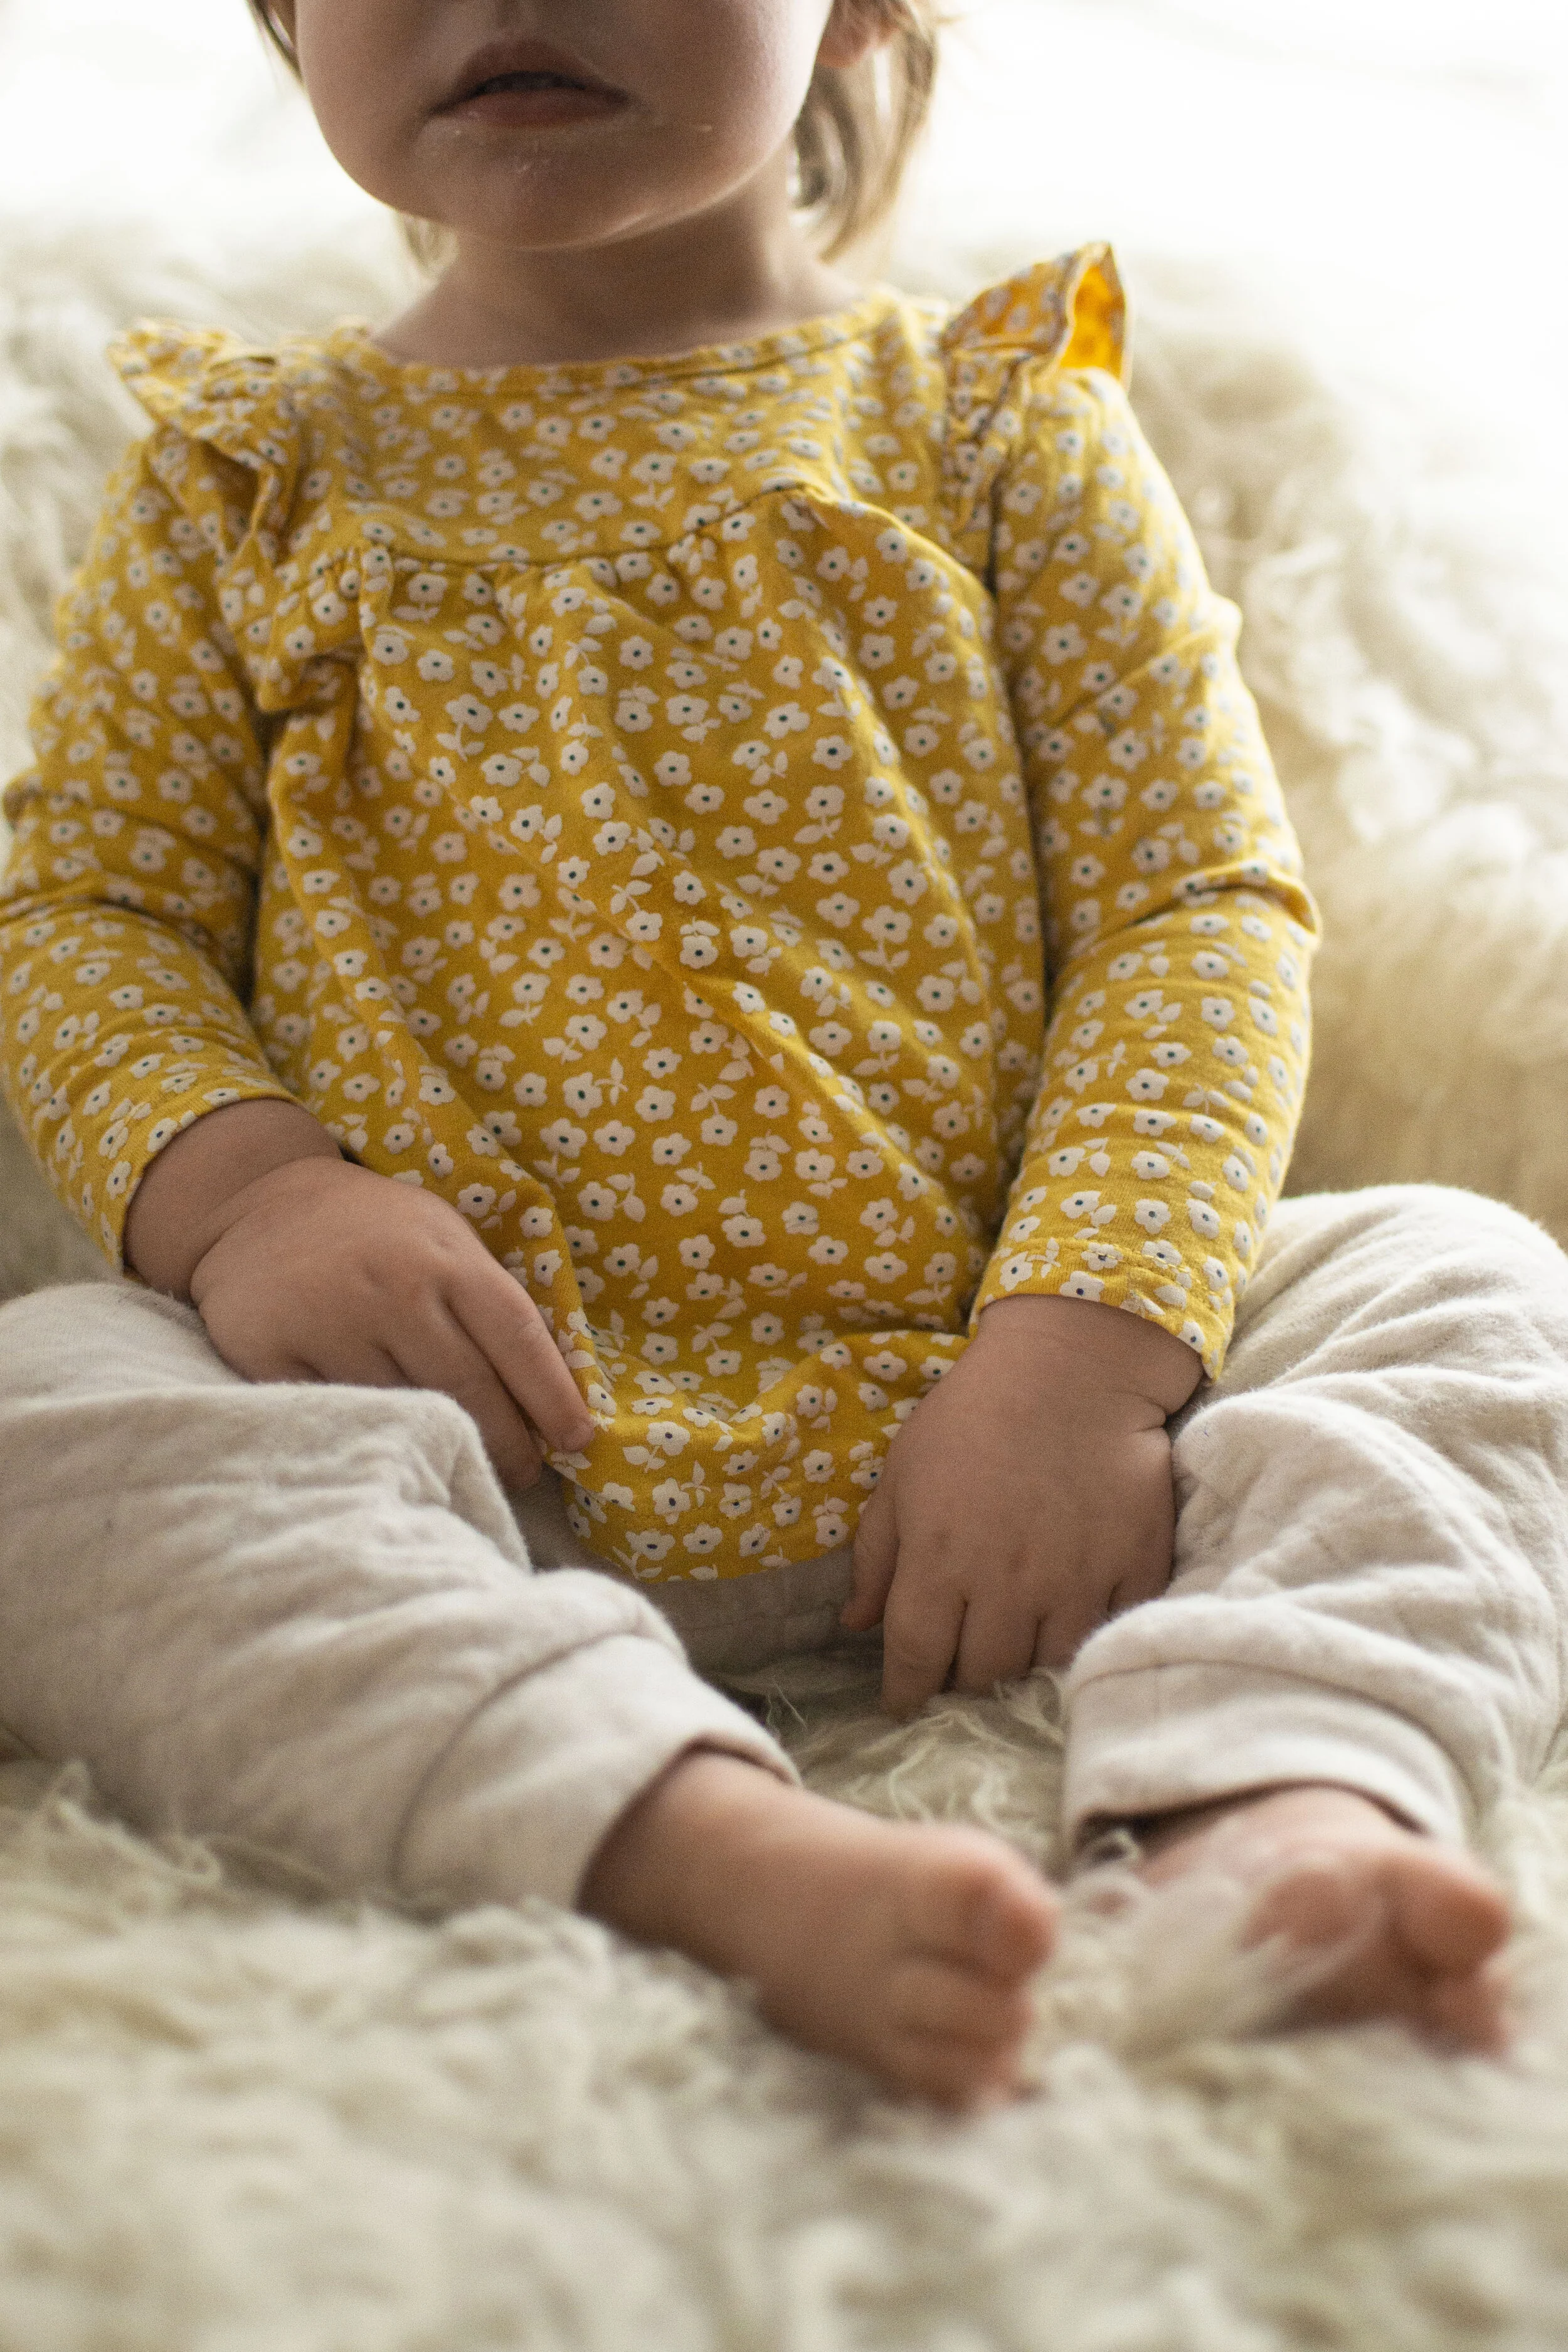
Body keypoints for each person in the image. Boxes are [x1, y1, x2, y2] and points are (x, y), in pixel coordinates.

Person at [1, 0, 1562, 2110]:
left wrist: (1079, 1356)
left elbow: (1187, 909)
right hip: (469, 1453)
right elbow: (93, 912)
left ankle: (1276, 1787)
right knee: (47, 1411)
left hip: (1024, 1438)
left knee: (1464, 1284)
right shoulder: (241, 484)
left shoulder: (996, 420)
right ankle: (693, 1839)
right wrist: (257, 1196)